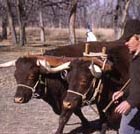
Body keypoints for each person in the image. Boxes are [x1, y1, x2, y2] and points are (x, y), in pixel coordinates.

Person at [112, 34, 140, 134]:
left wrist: (131, 102)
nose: (126, 43)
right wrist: (123, 92)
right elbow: (136, 81)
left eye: (129, 39)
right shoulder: (135, 57)